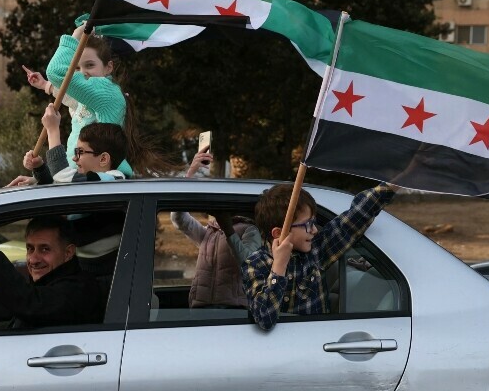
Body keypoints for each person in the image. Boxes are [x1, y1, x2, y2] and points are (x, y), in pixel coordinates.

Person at [24, 20, 178, 177]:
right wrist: (41, 172)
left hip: (79, 178)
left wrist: (76, 36)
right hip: (73, 176)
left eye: (90, 65)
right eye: (76, 68)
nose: (82, 73)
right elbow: (69, 96)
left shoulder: (107, 93)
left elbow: (57, 72)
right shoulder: (91, 100)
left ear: (108, 68)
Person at [0, 186, 104, 329]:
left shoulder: (78, 290)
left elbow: (27, 303)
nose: (33, 259)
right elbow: (20, 328)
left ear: (68, 253)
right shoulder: (51, 282)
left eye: (45, 249)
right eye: (30, 249)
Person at [242, 182, 397, 331]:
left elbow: (354, 218)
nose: (315, 230)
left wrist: (394, 185)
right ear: (278, 233)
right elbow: (264, 319)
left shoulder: (316, 251)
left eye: (314, 222)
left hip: (318, 342)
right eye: (307, 224)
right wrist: (279, 267)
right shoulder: (255, 264)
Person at [169, 150, 262, 308]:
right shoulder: (209, 233)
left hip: (233, 311)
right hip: (201, 307)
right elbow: (179, 219)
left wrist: (228, 230)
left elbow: (248, 264)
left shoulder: (250, 230)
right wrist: (190, 174)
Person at [23, 108, 128, 184]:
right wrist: (39, 167)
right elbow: (57, 185)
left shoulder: (113, 180)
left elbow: (61, 175)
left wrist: (53, 130)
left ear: (103, 159)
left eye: (80, 152)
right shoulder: (92, 182)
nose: (74, 158)